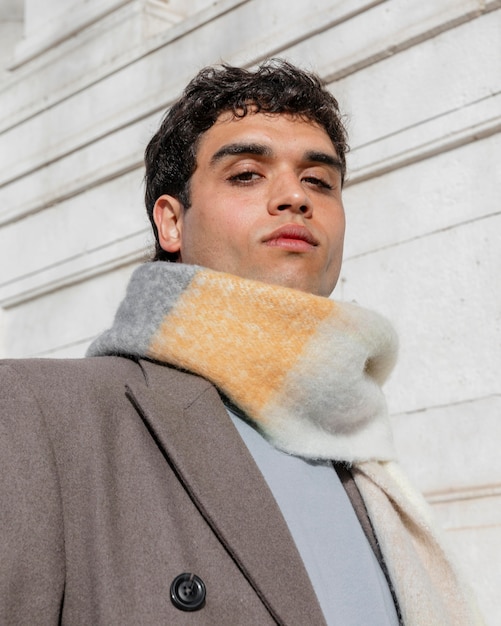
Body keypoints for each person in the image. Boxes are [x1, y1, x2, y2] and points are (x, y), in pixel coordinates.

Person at [1, 60, 481, 625]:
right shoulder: (39, 412)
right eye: (247, 174)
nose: (293, 197)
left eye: (318, 181)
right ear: (171, 223)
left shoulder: (366, 463)